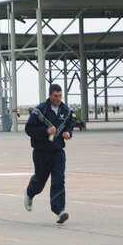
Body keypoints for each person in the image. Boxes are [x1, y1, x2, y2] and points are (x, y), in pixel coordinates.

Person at [24, 84, 74, 224]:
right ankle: (30, 193)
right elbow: (29, 129)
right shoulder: (40, 110)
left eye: (60, 96)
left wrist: (68, 133)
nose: (58, 99)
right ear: (50, 95)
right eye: (55, 96)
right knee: (40, 179)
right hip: (41, 152)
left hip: (58, 151)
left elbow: (70, 124)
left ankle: (59, 210)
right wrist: (45, 132)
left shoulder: (66, 110)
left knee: (59, 180)